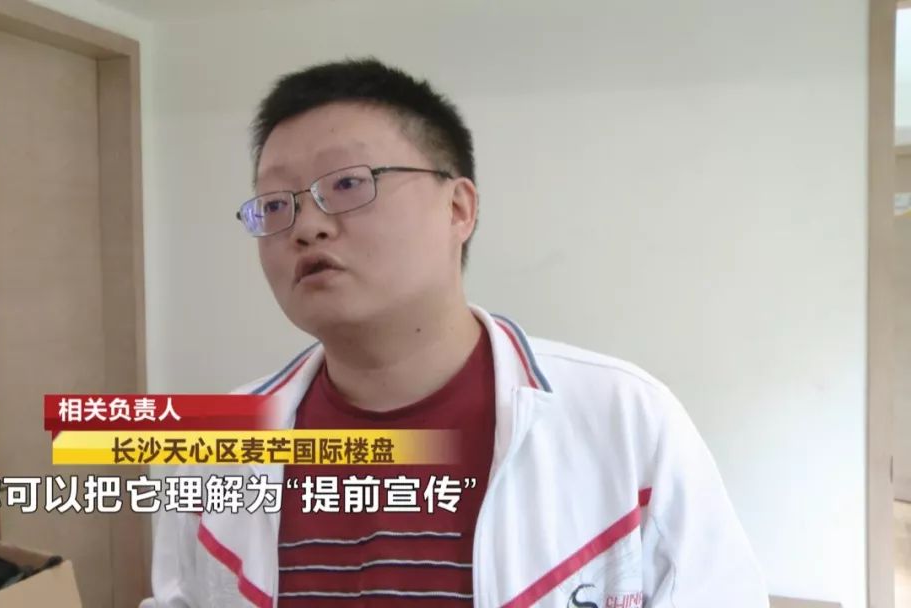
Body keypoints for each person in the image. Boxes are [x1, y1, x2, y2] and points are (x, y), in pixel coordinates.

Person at [143, 58, 769, 607]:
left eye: (348, 184)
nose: (306, 226)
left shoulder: (625, 420)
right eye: (276, 204)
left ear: (458, 208)